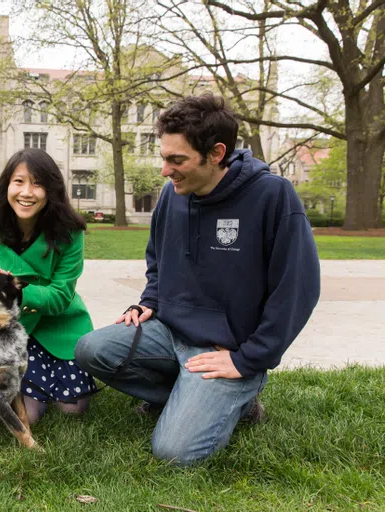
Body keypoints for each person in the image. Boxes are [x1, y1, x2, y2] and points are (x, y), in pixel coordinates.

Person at [75, 93, 321, 464]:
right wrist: (150, 301)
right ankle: (185, 395)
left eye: (177, 160)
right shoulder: (172, 195)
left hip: (226, 350)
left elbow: (297, 288)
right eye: (164, 157)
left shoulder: (272, 195)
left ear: (217, 153)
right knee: (91, 349)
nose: (165, 170)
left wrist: (248, 358)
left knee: (175, 452)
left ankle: (241, 398)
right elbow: (157, 259)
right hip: (169, 332)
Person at [0, 148, 96, 425]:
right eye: (19, 181)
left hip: (60, 326)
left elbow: (60, 296)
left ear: (51, 191)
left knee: (73, 410)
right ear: (6, 186)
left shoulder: (69, 234)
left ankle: (59, 381)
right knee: (29, 417)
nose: (27, 192)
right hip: (10, 333)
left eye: (38, 184)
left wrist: (12, 290)